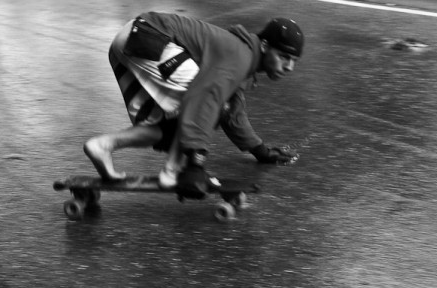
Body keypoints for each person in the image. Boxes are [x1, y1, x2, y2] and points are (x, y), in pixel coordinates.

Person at [83, 11, 304, 199]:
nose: (290, 67)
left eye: (294, 61)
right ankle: (174, 171)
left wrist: (260, 150)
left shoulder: (244, 61)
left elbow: (234, 113)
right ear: (265, 46)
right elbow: (208, 98)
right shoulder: (240, 56)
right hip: (149, 36)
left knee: (170, 129)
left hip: (133, 40)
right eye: (284, 57)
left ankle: (103, 146)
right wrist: (195, 163)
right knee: (207, 105)